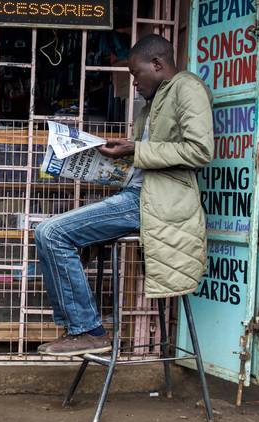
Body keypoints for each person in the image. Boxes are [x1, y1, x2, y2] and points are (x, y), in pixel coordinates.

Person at [33, 34, 213, 356]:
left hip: (153, 201)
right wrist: (118, 155)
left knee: (51, 232)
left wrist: (136, 148)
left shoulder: (187, 88)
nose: (133, 83)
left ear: (157, 64)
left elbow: (200, 150)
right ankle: (81, 328)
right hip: (137, 193)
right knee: (51, 233)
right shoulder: (153, 102)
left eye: (135, 73)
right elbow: (151, 154)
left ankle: (87, 330)